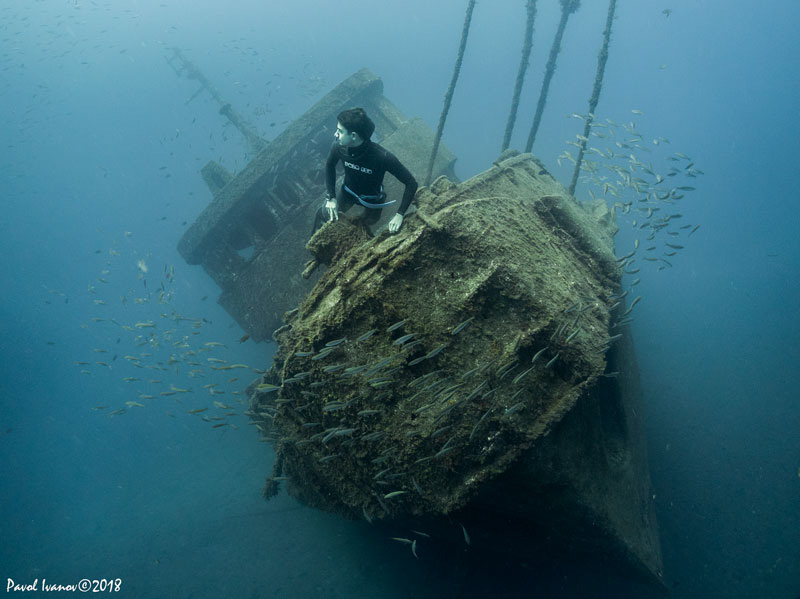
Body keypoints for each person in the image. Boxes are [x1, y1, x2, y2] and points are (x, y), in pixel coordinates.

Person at [313, 107, 418, 235]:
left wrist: (400, 214)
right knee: (322, 214)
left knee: (366, 224)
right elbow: (329, 165)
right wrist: (331, 197)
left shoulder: (382, 157)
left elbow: (411, 183)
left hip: (372, 201)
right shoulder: (338, 147)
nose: (335, 134)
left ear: (353, 136)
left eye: (340, 131)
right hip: (347, 194)